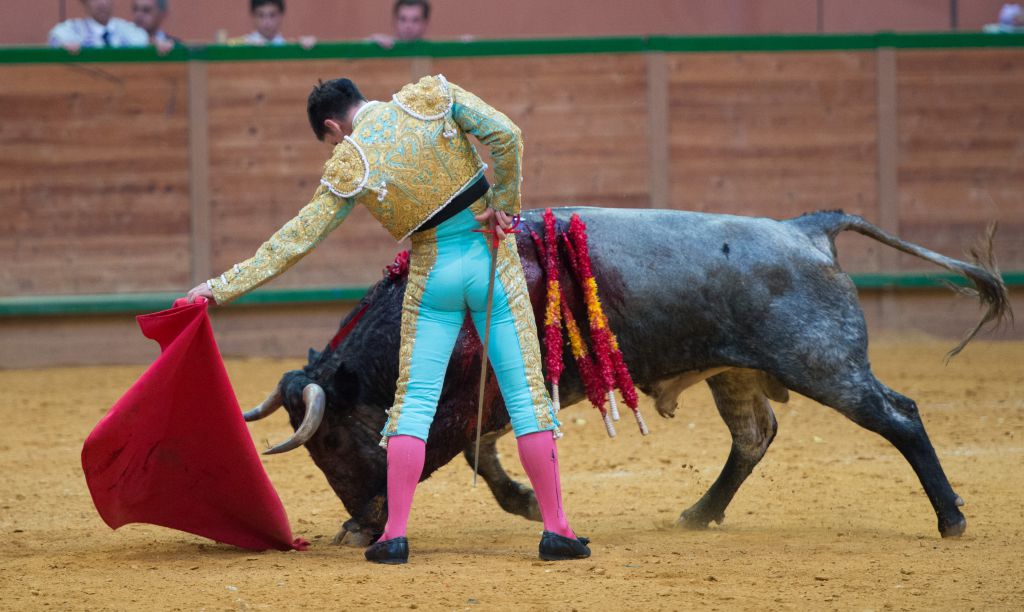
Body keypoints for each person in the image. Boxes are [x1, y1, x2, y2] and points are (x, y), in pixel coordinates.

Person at [185, 75, 591, 564]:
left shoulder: (350, 162)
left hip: (434, 273)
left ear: (333, 127)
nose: (336, 146)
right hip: (491, 260)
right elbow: (507, 135)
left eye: (331, 141)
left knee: (414, 405)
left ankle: (393, 536)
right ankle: (557, 530)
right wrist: (504, 204)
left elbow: (295, 239)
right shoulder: (430, 97)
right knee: (525, 397)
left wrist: (219, 287)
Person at [48, 0, 149, 52]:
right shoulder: (69, 31)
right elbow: (56, 42)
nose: (102, 3)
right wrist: (63, 50)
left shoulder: (132, 32)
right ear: (85, 1)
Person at [228, 0, 316, 48]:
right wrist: (247, 49)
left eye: (272, 15)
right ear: (253, 16)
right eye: (261, 15)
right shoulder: (238, 45)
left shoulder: (290, 47)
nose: (267, 22)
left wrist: (309, 51)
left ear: (281, 16)